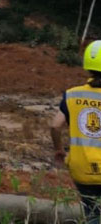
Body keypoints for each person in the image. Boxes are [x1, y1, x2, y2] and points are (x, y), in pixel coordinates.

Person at [52, 40, 101, 224]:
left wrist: (59, 150)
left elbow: (55, 125)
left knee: (93, 213)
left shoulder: (73, 94)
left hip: (82, 169)